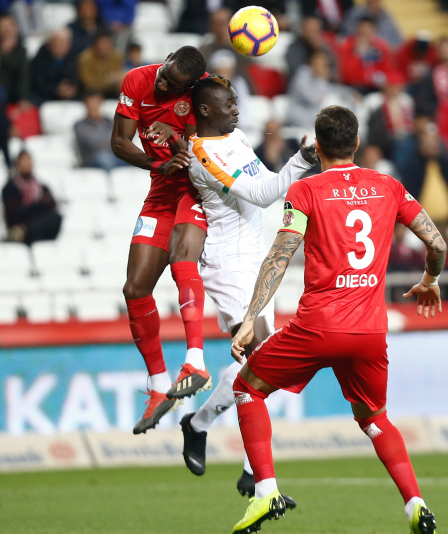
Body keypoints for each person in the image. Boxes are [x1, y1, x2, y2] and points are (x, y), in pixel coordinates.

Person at [229, 105, 443, 534]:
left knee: (246, 388)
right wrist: (429, 279)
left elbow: (281, 253)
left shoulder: (305, 191)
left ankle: (266, 491)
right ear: (357, 143)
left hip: (317, 327)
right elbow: (436, 243)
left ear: (317, 145)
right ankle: (415, 503)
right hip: (369, 331)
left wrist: (252, 316)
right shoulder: (389, 186)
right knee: (375, 418)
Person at [179, 74, 315, 504]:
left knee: (261, 364)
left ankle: (200, 426)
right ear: (205, 110)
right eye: (229, 104)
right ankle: (256, 474)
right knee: (263, 357)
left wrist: (298, 163)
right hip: (231, 263)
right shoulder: (203, 152)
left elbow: (267, 180)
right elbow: (261, 194)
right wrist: (301, 159)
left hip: (257, 258)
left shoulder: (234, 137)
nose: (237, 109)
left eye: (236, 102)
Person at [110, 47, 211, 433]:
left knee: (181, 257)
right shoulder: (137, 79)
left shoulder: (203, 94)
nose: (163, 85)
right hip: (161, 189)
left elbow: (210, 150)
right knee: (134, 289)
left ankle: (195, 360)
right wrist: (158, 164)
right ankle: (157, 385)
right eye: (164, 75)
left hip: (197, 190)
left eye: (173, 85)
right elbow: (120, 142)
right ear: (165, 59)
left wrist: (182, 141)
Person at [2, 151, 63, 245]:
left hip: (36, 229)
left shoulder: (42, 187)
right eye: (24, 161)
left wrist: (31, 210)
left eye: (29, 161)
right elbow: (15, 215)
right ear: (17, 165)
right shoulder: (10, 188)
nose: (27, 164)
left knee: (56, 218)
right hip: (19, 231)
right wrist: (41, 205)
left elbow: (52, 206)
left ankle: (27, 231)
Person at [286, 49, 356, 128]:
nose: (323, 66)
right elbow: (312, 98)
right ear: (312, 61)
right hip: (298, 118)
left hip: (314, 119)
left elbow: (333, 89)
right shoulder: (302, 74)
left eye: (325, 63)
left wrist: (350, 93)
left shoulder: (318, 78)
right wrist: (321, 79)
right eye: (321, 61)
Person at [335, 16, 395, 93]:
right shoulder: (346, 46)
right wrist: (357, 55)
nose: (365, 37)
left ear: (374, 31)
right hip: (352, 87)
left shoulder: (381, 47)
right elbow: (346, 75)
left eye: (368, 33)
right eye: (362, 33)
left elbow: (388, 70)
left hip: (376, 87)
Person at [411, 35, 448, 119]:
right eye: (443, 50)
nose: (446, 51)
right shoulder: (430, 74)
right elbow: (424, 101)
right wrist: (439, 112)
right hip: (440, 116)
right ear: (438, 52)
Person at [0, 15, 30, 105]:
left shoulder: (21, 50)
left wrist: (24, 97)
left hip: (13, 94)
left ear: (15, 29)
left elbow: (24, 75)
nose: (5, 31)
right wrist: (2, 51)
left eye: (8, 27)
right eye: (2, 27)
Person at [75, 90, 124, 170]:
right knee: (104, 158)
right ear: (85, 105)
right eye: (91, 104)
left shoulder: (109, 122)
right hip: (92, 159)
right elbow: (93, 143)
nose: (94, 107)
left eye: (96, 103)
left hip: (114, 156)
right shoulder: (80, 125)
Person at [199, 8, 252, 80]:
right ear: (211, 27)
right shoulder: (204, 49)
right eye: (216, 24)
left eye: (223, 24)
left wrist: (228, 43)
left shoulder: (241, 47)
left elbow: (248, 64)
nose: (220, 29)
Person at [208, 50, 253, 131]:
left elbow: (245, 104)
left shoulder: (239, 82)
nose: (226, 74)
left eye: (228, 71)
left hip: (238, 125)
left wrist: (241, 124)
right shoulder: (208, 87)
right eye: (222, 71)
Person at [31, 28, 78, 104]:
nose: (61, 46)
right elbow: (38, 82)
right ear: (50, 43)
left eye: (64, 43)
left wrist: (71, 88)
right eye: (58, 43)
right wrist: (56, 90)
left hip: (66, 95)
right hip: (45, 95)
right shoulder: (41, 56)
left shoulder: (72, 55)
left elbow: (73, 76)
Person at [77, 30, 124, 98]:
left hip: (111, 93)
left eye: (107, 42)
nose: (105, 46)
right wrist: (109, 80)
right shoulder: (85, 58)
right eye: (102, 42)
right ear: (95, 44)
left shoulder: (117, 57)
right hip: (90, 94)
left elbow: (118, 78)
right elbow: (88, 84)